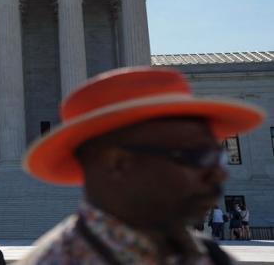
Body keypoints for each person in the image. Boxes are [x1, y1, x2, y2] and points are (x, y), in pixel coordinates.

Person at [16, 67, 264, 264]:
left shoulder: (210, 256)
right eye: (197, 155)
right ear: (119, 163)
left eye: (218, 154)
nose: (220, 172)